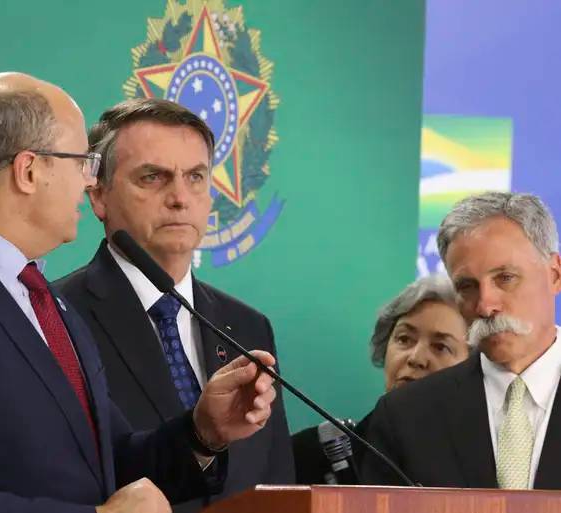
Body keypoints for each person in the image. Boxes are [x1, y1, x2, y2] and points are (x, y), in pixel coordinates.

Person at [0, 73, 279, 513]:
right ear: (29, 170)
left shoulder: (44, 300)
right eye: (81, 162)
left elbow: (113, 462)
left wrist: (202, 432)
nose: (88, 182)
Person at [56, 98, 294, 511]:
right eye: (153, 177)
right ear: (97, 196)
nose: (180, 198)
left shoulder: (248, 326)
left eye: (196, 177)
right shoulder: (57, 315)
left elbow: (276, 484)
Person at [362, 191, 561, 489]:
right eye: (467, 286)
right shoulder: (405, 416)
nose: (484, 305)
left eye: (505, 278)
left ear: (554, 274)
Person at [291, 274, 470, 483]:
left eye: (440, 347)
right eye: (404, 339)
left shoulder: (491, 468)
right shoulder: (312, 456)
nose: (415, 358)